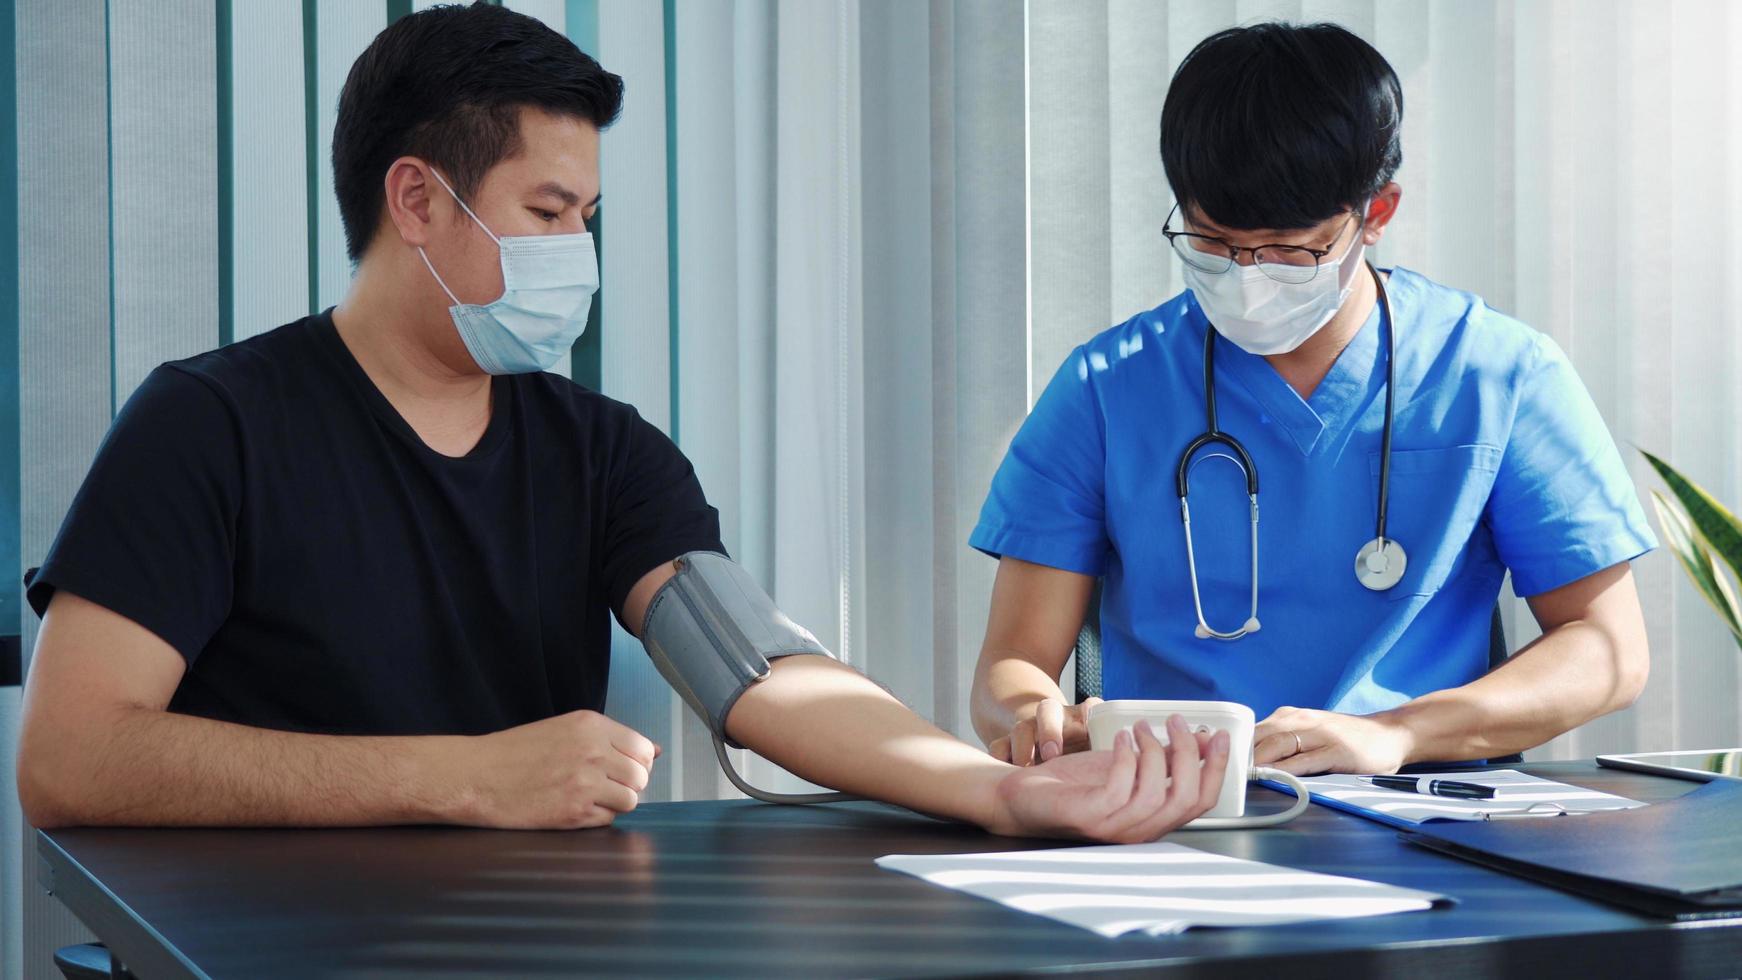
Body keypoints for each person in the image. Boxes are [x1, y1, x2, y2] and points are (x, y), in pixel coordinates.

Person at [15, 2, 1227, 843]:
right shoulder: (210, 423)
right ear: (417, 200)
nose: (574, 253)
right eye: (544, 211)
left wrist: (990, 792)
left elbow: (762, 673)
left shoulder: (600, 449)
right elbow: (71, 759)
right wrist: (461, 777)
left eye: (586, 214)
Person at [969, 22, 1654, 777]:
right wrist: (1030, 713)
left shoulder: (1497, 374)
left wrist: (1398, 732)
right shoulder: (1109, 387)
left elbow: (1608, 648)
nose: (1248, 276)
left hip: (1419, 812)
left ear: (1378, 212)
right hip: (1170, 814)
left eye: (1290, 252)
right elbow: (1014, 662)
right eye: (1212, 243)